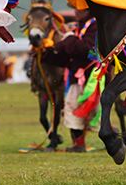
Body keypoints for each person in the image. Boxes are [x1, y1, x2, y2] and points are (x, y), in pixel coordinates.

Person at [42, 8, 97, 152]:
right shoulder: (79, 29)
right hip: (77, 77)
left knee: (94, 112)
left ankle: (113, 140)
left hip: (93, 77)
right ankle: (78, 144)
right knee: (73, 108)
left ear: (89, 10)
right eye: (75, 8)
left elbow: (85, 49)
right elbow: (68, 55)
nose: (76, 12)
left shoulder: (95, 26)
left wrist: (69, 38)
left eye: (80, 9)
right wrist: (47, 53)